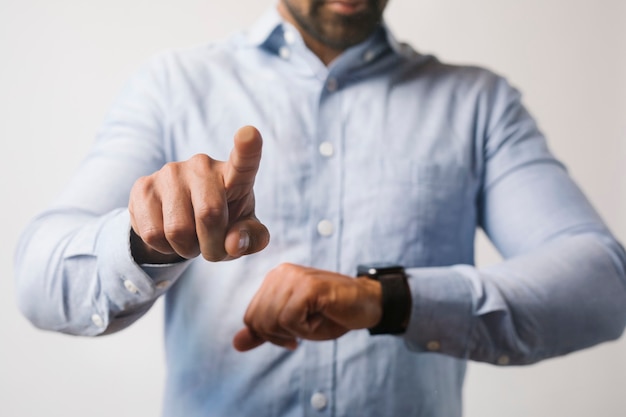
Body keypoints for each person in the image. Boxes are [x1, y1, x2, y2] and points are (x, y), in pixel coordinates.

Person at [14, 0, 626, 416]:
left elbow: (602, 284)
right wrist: (146, 239)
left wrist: (386, 299)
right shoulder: (173, 86)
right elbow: (41, 281)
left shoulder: (478, 103)